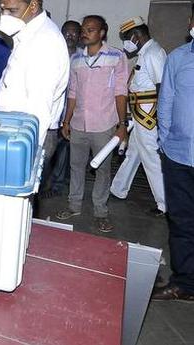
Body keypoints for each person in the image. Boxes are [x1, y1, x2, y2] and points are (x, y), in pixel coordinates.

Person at [57, 15, 129, 232]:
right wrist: (66, 121)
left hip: (104, 124)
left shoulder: (116, 56)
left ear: (102, 33)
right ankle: (74, 205)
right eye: (83, 29)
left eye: (90, 29)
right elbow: (72, 92)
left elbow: (120, 92)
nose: (84, 33)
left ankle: (100, 212)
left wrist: (122, 124)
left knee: (103, 171)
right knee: (76, 167)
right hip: (79, 123)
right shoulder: (76, 59)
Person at [151, 4, 194, 301]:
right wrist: (165, 142)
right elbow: (165, 102)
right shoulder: (178, 58)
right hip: (179, 156)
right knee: (181, 222)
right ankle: (186, 283)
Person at [110, 16, 167, 217]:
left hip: (148, 116)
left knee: (150, 158)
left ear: (136, 36)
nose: (126, 42)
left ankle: (164, 204)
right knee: (133, 152)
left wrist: (161, 119)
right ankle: (118, 189)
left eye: (126, 37)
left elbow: (163, 87)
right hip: (140, 113)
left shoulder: (153, 54)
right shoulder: (146, 53)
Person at [0, 0, 70, 145]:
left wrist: (28, 156)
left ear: (33, 6)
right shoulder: (28, 33)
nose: (4, 15)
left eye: (12, 10)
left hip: (26, 137)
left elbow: (39, 109)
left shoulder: (43, 42)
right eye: (2, 9)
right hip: (15, 130)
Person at [40, 20, 81, 198]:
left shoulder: (83, 58)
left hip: (73, 111)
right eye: (66, 32)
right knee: (47, 149)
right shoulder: (53, 54)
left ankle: (56, 185)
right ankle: (41, 183)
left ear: (79, 36)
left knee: (64, 149)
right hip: (52, 109)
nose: (69, 36)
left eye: (74, 33)